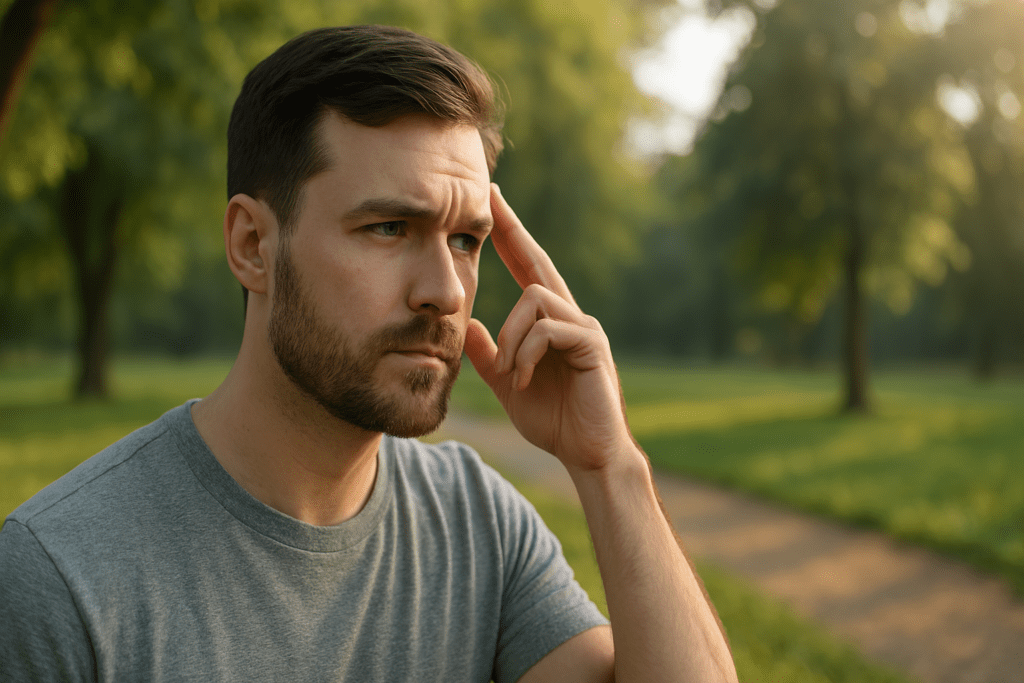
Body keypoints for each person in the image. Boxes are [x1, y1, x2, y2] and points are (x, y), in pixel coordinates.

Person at [0, 25, 738, 682]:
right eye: (388, 228)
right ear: (253, 245)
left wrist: (611, 466)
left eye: (466, 240)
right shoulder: (57, 577)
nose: (446, 291)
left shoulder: (478, 522)